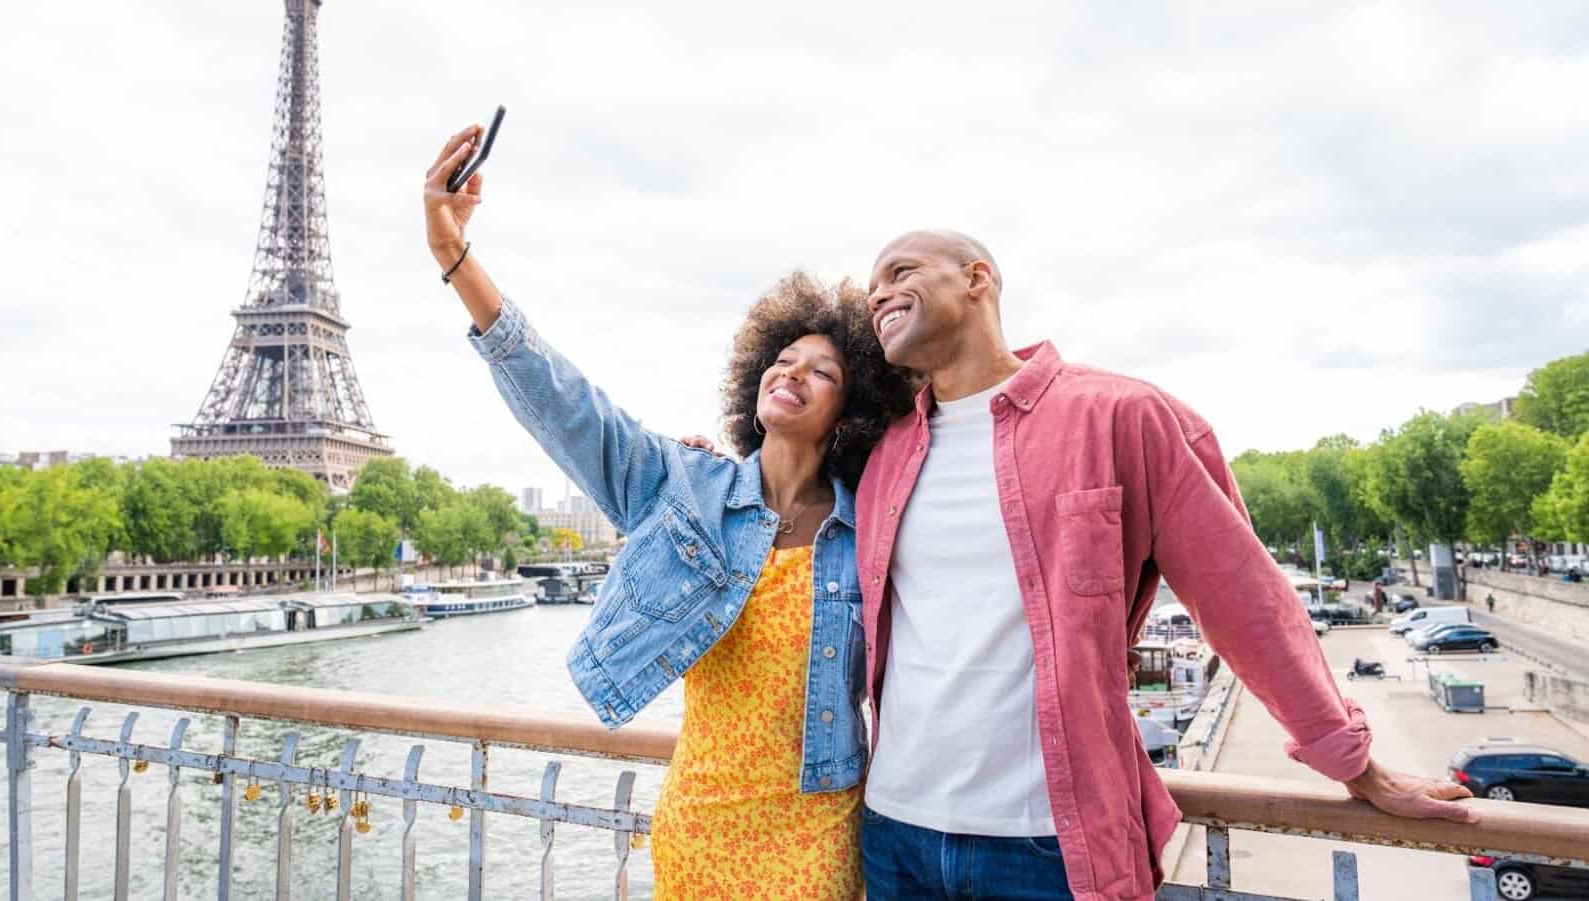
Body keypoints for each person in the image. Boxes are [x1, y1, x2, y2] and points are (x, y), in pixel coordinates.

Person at [852, 230, 1477, 901]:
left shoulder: (1121, 416)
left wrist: (1356, 765)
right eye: (871, 289)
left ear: (976, 279)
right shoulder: (882, 455)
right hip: (895, 832)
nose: (880, 293)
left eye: (901, 270)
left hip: (1051, 847)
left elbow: (1245, 601)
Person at [421, 125, 911, 899]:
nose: (794, 372)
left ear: (849, 414)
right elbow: (566, 405)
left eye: (822, 371)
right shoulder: (684, 486)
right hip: (701, 831)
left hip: (816, 831)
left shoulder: (874, 526)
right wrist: (454, 257)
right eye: (783, 360)